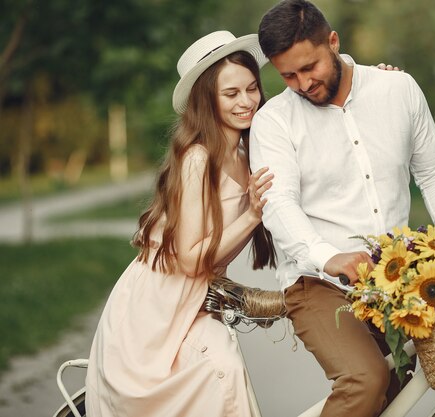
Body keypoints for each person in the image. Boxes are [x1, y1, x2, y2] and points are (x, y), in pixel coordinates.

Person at [249, 1, 435, 416]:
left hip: (394, 281)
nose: (303, 83)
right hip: (317, 283)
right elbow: (278, 202)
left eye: (310, 67)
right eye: (288, 75)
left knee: (394, 396)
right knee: (366, 379)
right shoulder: (274, 121)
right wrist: (329, 257)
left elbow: (434, 172)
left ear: (333, 42)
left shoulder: (397, 90)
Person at [85, 31, 276, 417]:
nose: (246, 101)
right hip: (154, 307)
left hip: (192, 300)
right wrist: (253, 215)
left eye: (252, 88)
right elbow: (190, 260)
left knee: (225, 373)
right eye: (231, 94)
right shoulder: (197, 159)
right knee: (219, 374)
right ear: (207, 99)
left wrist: (368, 76)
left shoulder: (249, 151)